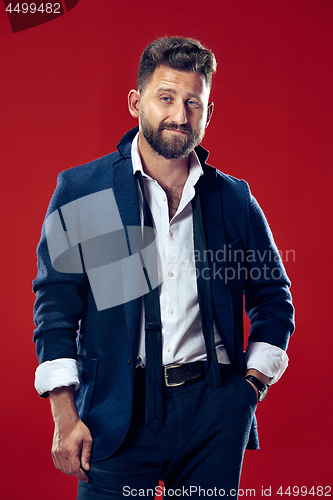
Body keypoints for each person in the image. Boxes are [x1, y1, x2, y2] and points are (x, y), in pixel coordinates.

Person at [33, 36, 294, 499]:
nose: (180, 116)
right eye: (166, 98)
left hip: (214, 411)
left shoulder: (232, 199)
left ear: (209, 114)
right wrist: (64, 414)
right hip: (117, 409)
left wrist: (250, 387)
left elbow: (273, 298)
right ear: (137, 103)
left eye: (194, 103)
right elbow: (56, 307)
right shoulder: (86, 190)